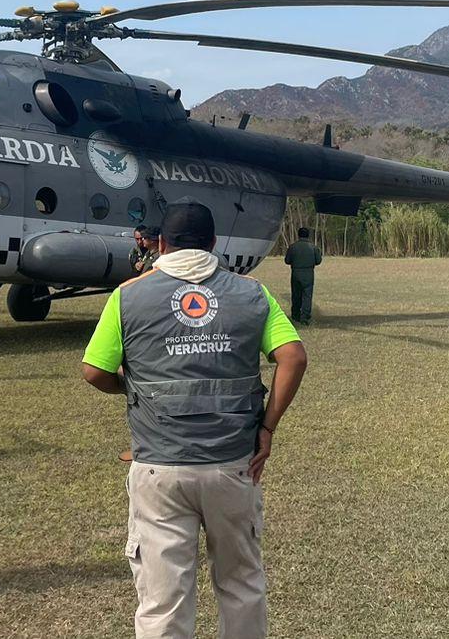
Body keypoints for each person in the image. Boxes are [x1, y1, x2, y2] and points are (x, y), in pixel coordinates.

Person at [81, 199, 308, 639]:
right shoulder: (252, 293)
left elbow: (94, 371)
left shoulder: (128, 296)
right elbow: (293, 357)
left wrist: (132, 388)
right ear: (214, 243)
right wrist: (267, 428)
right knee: (241, 585)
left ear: (161, 243)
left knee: (164, 601)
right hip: (233, 464)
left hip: (159, 467)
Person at [283, 227, 323, 325]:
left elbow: (287, 261)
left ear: (298, 235)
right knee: (307, 296)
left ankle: (295, 315)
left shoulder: (292, 247)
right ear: (308, 235)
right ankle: (305, 317)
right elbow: (318, 261)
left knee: (296, 295)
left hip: (296, 273)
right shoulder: (313, 247)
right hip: (308, 273)